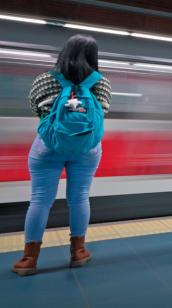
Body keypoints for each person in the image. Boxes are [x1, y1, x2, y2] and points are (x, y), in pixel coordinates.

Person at [12, 34, 112, 276]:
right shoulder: (101, 83)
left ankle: (29, 259)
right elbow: (103, 112)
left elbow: (37, 109)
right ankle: (78, 252)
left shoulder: (44, 80)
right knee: (79, 198)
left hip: (48, 147)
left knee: (39, 200)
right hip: (87, 149)